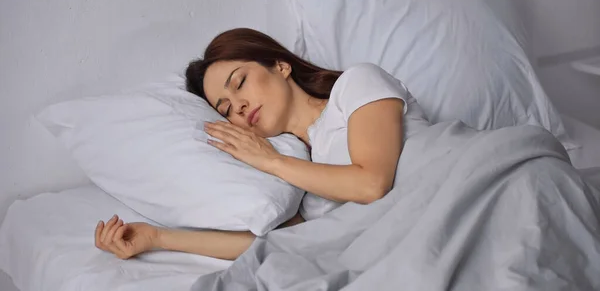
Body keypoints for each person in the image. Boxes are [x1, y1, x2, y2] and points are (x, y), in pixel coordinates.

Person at [94, 28, 430, 261]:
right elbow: (267, 243)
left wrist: (270, 161)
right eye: (225, 109)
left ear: (281, 65)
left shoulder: (357, 84)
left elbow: (372, 182)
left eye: (240, 83)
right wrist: (157, 238)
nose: (237, 105)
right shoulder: (301, 171)